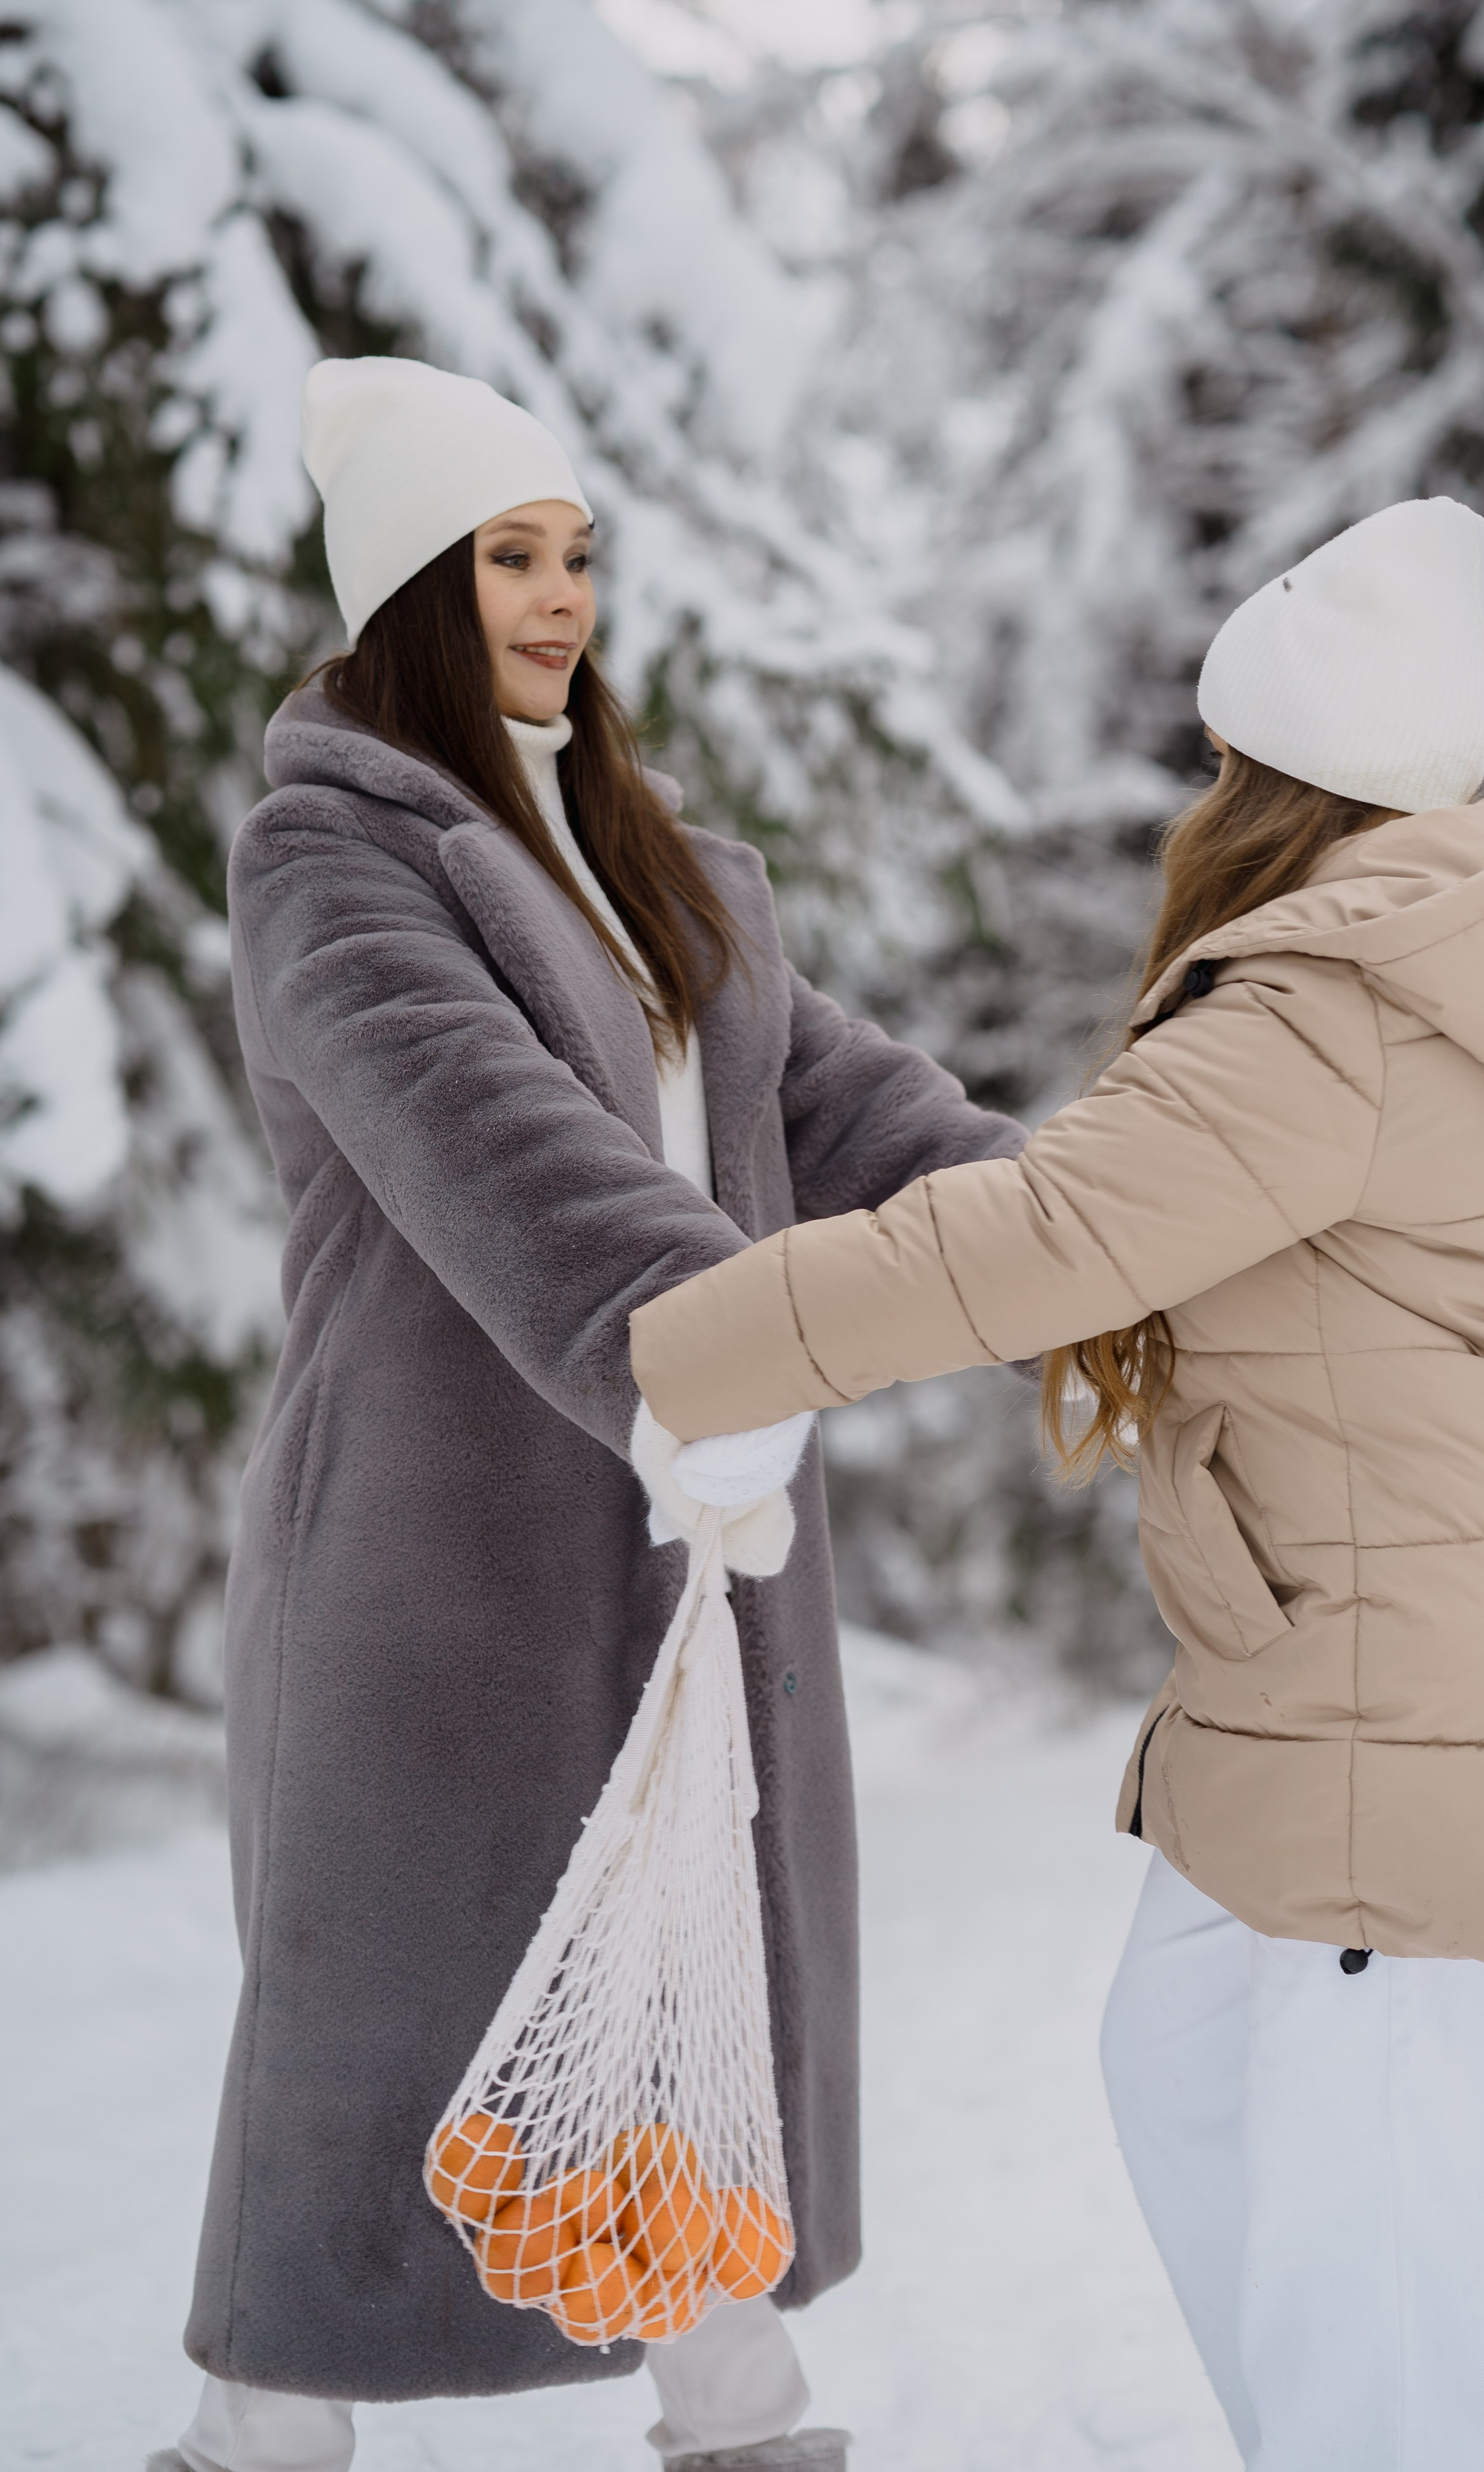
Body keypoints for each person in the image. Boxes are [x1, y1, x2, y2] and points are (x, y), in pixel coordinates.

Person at [627, 498, 1484, 2472]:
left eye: (1225, 760)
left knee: (1369, 2268)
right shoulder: (1429, 975)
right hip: (1374, 1671)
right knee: (1203, 2073)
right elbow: (1125, 1206)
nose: (1204, 797)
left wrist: (679, 1346)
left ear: (1276, 781)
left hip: (1404, 1702)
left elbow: (1032, 1241)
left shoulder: (1329, 1012)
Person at [153, 356, 1027, 2472]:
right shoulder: (334, 863)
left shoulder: (678, 872)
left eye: (572, 554)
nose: (555, 598)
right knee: (373, 2040)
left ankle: (741, 2419)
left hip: (690, 1547)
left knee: (689, 1990)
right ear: (405, 601)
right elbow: (489, 1137)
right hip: (432, 1563)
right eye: (502, 560)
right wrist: (701, 1342)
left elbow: (865, 1115)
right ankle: (261, 2435)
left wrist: (1086, 1244)